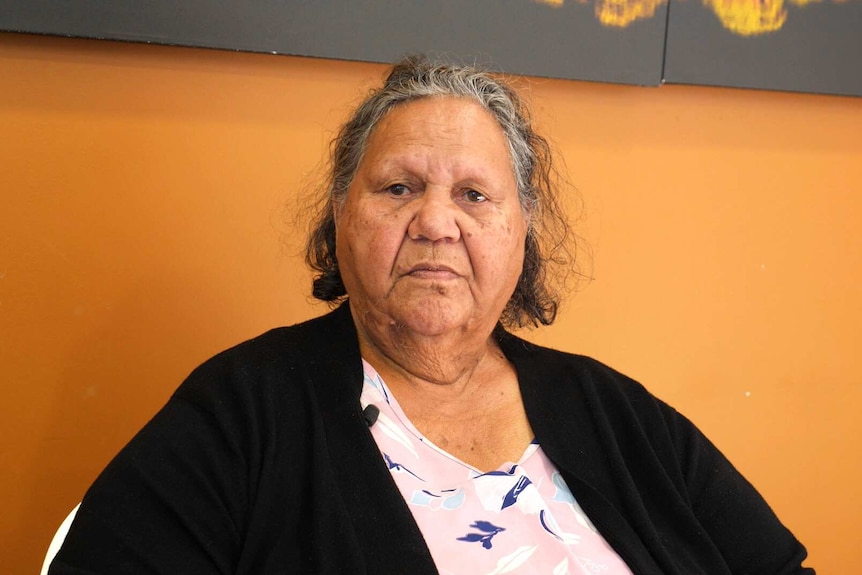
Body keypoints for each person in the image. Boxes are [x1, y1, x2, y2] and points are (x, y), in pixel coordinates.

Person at [49, 56, 814, 575]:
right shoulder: (246, 410)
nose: (437, 223)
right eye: (399, 188)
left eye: (474, 195)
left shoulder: (615, 412)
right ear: (341, 216)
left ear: (521, 231)